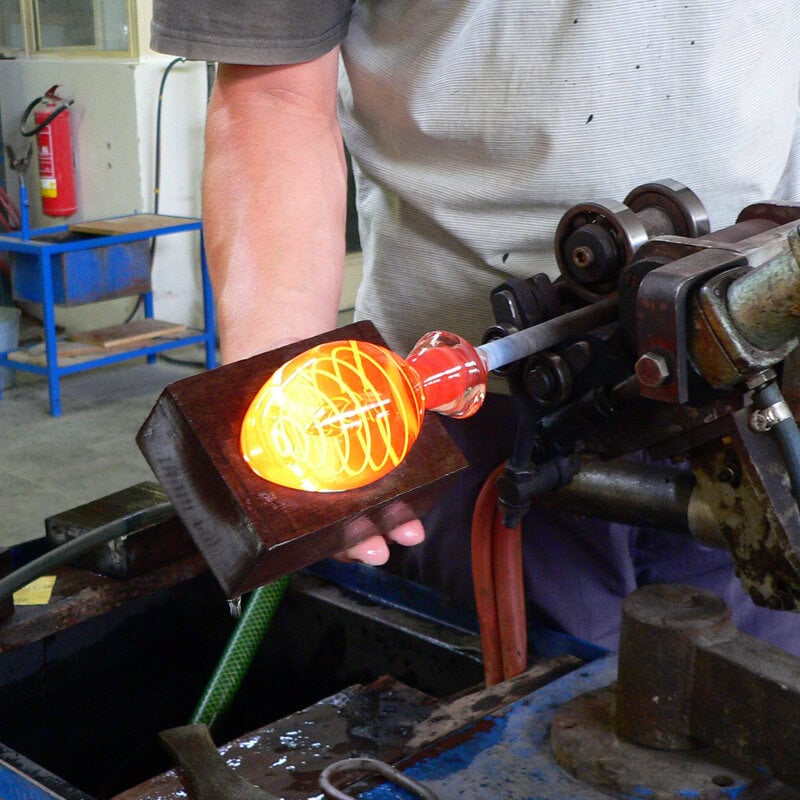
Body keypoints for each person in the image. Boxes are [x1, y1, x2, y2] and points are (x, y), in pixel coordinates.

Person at [151, 1, 800, 654]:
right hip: (481, 423)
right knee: (513, 712)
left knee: (756, 698)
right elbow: (276, 99)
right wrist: (289, 450)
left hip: (761, 363)